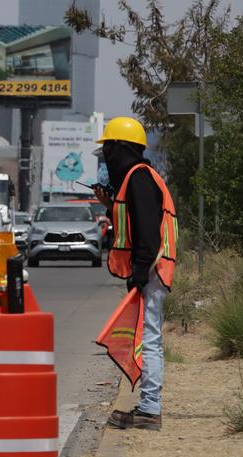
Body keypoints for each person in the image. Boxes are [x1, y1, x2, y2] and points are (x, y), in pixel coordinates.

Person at [92, 116, 178, 431]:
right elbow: (132, 220)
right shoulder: (133, 178)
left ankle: (150, 409)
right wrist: (109, 205)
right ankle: (147, 406)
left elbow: (148, 236)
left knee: (151, 339)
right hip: (149, 270)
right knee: (146, 337)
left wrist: (140, 274)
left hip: (152, 270)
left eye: (108, 151)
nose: (106, 159)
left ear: (120, 148)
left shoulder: (140, 178)